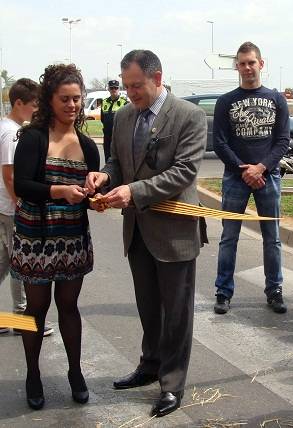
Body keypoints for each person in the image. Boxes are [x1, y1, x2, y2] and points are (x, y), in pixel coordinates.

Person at [85, 49, 207, 418]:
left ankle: (172, 383)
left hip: (174, 233)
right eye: (126, 86)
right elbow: (118, 162)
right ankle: (150, 364)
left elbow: (184, 171)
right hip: (137, 229)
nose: (131, 93)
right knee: (149, 307)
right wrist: (106, 176)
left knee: (176, 313)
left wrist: (133, 192)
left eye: (137, 86)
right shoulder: (124, 116)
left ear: (157, 77)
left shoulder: (188, 115)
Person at [11, 64, 100, 410]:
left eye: (77, 98)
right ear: (50, 99)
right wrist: (59, 191)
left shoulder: (88, 145)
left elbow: (88, 195)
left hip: (72, 238)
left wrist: (96, 200)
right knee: (36, 308)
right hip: (35, 237)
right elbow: (22, 185)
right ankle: (33, 374)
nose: (72, 105)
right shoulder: (33, 137)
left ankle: (75, 372)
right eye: (65, 99)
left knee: (69, 306)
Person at [212, 41, 290, 315]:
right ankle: (223, 292)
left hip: (269, 177)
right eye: (242, 63)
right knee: (229, 237)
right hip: (236, 178)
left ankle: (275, 290)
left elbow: (282, 141)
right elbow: (219, 143)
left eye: (251, 62)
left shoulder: (277, 99)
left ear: (261, 64)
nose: (247, 68)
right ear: (237, 66)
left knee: (272, 238)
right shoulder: (225, 102)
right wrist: (244, 170)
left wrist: (261, 168)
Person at [0, 79, 53, 337]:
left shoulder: (5, 127)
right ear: (18, 103)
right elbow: (10, 176)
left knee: (5, 261)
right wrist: (20, 204)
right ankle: (22, 317)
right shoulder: (12, 134)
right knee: (20, 263)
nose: (37, 109)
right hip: (11, 207)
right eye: (34, 104)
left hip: (5, 206)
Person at [100, 80, 128, 161]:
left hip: (119, 136)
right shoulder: (104, 102)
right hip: (107, 136)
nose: (114, 90)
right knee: (108, 158)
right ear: (108, 89)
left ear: (119, 89)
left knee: (119, 159)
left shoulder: (124, 103)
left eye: (116, 88)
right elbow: (103, 119)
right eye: (111, 88)